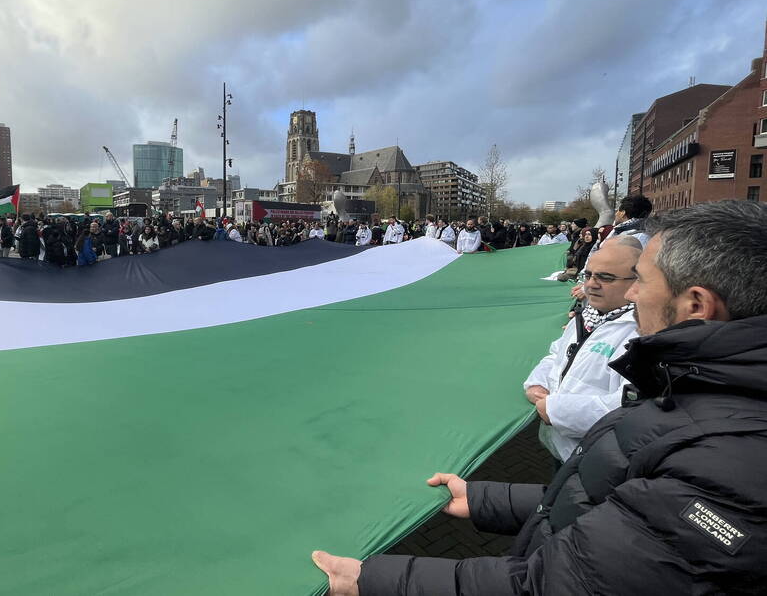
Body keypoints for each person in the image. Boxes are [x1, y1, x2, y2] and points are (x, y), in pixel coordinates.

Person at [313, 199, 767, 596]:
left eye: (642, 281)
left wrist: (372, 581)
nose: (630, 293)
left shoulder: (728, 463)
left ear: (695, 306)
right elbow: (614, 501)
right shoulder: (696, 397)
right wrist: (485, 498)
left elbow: (558, 584)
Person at [523, 237, 640, 462]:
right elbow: (556, 354)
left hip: (598, 460)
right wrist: (537, 383)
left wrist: (557, 411)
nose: (591, 284)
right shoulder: (587, 316)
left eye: (606, 277)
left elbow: (631, 407)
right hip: (564, 450)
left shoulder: (641, 332)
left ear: (637, 282)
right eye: (588, 275)